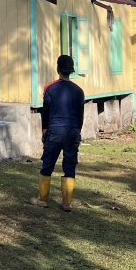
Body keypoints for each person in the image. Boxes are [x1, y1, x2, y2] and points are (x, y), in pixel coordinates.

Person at [30, 55, 85, 211]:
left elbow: (46, 111)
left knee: (48, 163)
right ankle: (67, 203)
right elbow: (81, 115)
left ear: (58, 69)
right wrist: (77, 131)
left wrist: (45, 129)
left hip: (55, 131)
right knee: (70, 165)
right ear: (71, 71)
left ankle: (43, 199)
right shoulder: (79, 91)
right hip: (73, 131)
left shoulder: (50, 87)